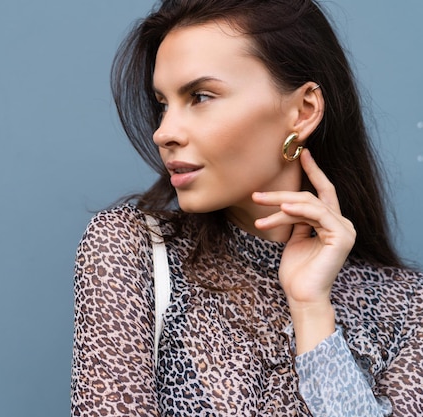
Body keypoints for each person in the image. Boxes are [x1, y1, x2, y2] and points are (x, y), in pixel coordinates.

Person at [70, 0, 423, 415]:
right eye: (163, 103)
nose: (163, 133)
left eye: (200, 96)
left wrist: (311, 309)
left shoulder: (405, 307)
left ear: (303, 111)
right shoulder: (130, 251)